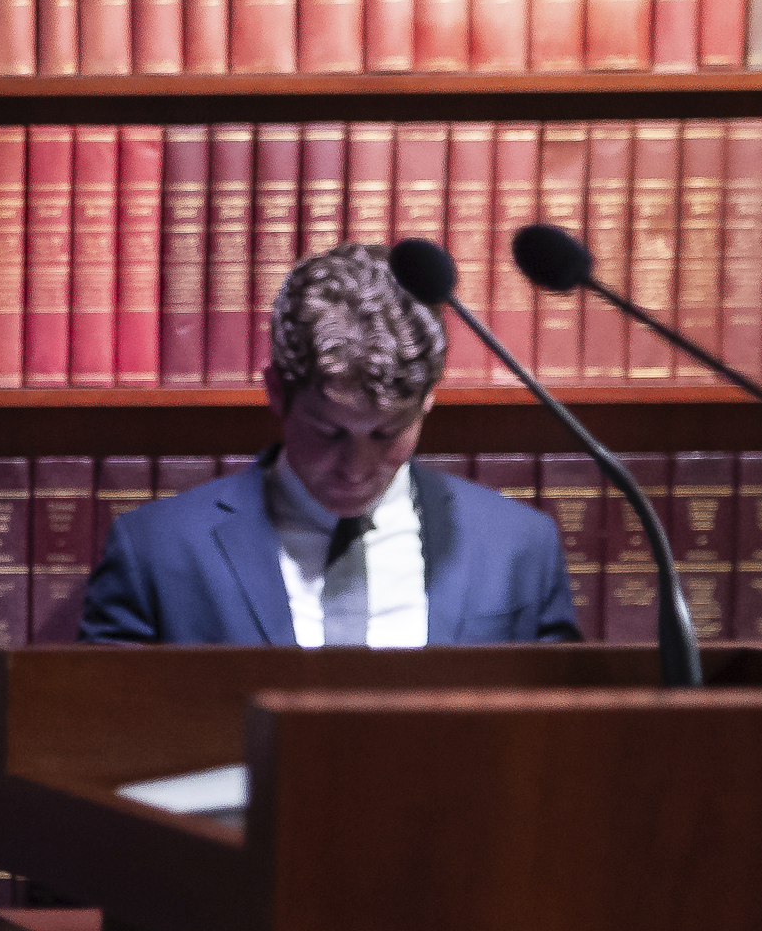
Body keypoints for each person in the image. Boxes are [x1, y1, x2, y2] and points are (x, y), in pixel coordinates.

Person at [81, 243, 580, 648]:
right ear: (276, 392)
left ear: (428, 401)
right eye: (328, 433)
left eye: (386, 434)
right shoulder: (156, 552)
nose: (355, 468)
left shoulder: (519, 547)